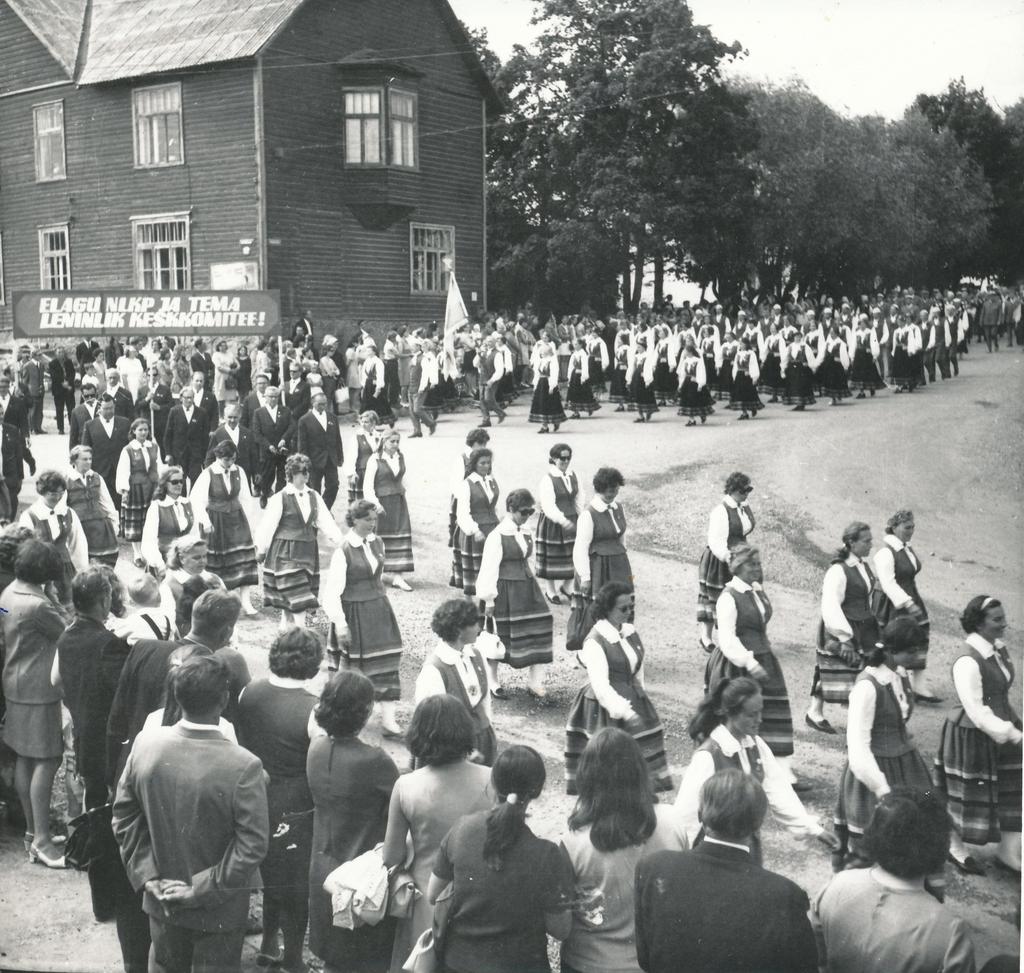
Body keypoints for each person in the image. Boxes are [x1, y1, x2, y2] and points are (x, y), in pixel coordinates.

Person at [112, 655, 269, 973]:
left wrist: (146, 875)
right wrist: (200, 889)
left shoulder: (145, 744)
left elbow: (124, 816)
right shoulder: (244, 764)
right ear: (224, 700)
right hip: (218, 912)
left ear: (176, 694)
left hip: (161, 900)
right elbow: (251, 845)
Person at [636, 769, 819, 973]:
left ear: (700, 816)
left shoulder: (654, 868)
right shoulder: (785, 895)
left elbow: (645, 958)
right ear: (757, 825)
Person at [428, 745, 573, 973]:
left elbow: (434, 894)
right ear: (536, 791)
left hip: (458, 964)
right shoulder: (546, 854)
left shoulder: (462, 829)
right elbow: (560, 930)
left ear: (493, 783)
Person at [560, 729, 687, 973]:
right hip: (653, 962)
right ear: (639, 770)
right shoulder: (673, 823)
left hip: (589, 963)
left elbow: (562, 925)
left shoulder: (573, 841)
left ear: (587, 777)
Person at [382, 695, 493, 973]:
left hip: (426, 899)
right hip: (478, 898)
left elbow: (391, 856)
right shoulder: (492, 779)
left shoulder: (406, 786)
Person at [812, 789, 977, 973]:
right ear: (941, 847)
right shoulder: (951, 931)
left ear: (873, 835)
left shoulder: (836, 885)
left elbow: (815, 957)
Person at [235, 628, 323, 973]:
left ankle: (269, 941)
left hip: (254, 790)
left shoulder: (249, 692)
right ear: (312, 665)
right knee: (295, 883)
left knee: (270, 874)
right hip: (294, 800)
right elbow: (316, 765)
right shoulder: (313, 710)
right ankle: (293, 956)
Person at [677, 676, 833, 864]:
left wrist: (815, 829)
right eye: (751, 715)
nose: (759, 720)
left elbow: (778, 791)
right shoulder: (708, 756)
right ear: (729, 714)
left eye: (760, 712)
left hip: (746, 846)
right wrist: (681, 861)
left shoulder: (756, 745)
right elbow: (686, 816)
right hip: (714, 852)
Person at [307, 670, 400, 973]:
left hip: (323, 865)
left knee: (333, 958)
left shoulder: (317, 748)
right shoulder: (375, 761)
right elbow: (401, 804)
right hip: (359, 873)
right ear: (366, 711)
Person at [832, 616, 934, 875]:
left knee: (914, 839)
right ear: (890, 650)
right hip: (874, 775)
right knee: (873, 847)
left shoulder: (899, 674)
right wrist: (881, 789)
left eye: (919, 650)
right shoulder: (867, 688)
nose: (917, 656)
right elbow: (857, 749)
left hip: (906, 766)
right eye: (911, 651)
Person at [934, 594, 1022, 875]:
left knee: (1011, 788)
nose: (1004, 624)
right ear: (978, 623)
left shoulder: (996, 648)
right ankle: (954, 846)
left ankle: (1008, 851)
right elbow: (976, 711)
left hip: (1003, 728)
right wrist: (1011, 733)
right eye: (997, 620)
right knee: (965, 794)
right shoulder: (967, 661)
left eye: (1003, 617)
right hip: (972, 735)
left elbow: (1000, 694)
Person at [704, 545, 801, 786]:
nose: (757, 568)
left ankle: (780, 773)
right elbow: (726, 638)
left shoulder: (756, 590)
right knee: (739, 714)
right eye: (752, 564)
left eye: (758, 564)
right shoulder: (728, 597)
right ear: (737, 567)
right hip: (737, 664)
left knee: (773, 712)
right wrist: (748, 662)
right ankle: (732, 770)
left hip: (764, 656)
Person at [0, 540, 71, 868]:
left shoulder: (9, 594)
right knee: (48, 759)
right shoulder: (38, 604)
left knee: (25, 759)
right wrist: (54, 596)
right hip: (39, 688)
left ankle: (33, 831)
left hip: (15, 681)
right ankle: (41, 840)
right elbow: (67, 633)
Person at [565, 582, 672, 796]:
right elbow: (602, 687)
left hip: (632, 698)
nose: (629, 612)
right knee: (610, 761)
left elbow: (637, 669)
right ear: (606, 609)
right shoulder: (595, 642)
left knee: (640, 757)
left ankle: (638, 796)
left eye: (631, 607)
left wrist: (641, 694)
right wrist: (626, 713)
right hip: (607, 708)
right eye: (623, 609)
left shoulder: (629, 632)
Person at [321, 500, 404, 737]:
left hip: (378, 610)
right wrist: (340, 624)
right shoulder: (343, 550)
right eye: (367, 519)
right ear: (354, 520)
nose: (372, 524)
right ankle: (342, 719)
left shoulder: (377, 542)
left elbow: (376, 575)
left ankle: (388, 720)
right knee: (354, 670)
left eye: (374, 519)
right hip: (354, 613)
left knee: (387, 661)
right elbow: (331, 594)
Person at [54, 567, 124, 813]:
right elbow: (120, 695)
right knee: (104, 803)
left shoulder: (66, 637)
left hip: (81, 730)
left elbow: (59, 682)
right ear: (105, 600)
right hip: (105, 739)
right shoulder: (109, 644)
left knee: (90, 800)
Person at [477, 488, 554, 698]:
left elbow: (528, 558)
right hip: (504, 589)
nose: (526, 516)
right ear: (510, 509)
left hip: (527, 587)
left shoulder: (526, 531)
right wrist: (489, 599)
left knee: (541, 625)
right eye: (523, 512)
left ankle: (535, 682)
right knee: (498, 635)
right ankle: (492, 682)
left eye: (530, 512)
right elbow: (489, 568)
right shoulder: (497, 536)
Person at [806, 521, 880, 734]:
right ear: (851, 542)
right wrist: (843, 638)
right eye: (866, 541)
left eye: (871, 541)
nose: (870, 545)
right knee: (835, 670)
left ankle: (816, 712)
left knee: (851, 671)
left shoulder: (863, 565)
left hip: (863, 627)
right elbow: (830, 605)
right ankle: (816, 713)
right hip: (842, 628)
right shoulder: (838, 571)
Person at [256, 452, 343, 629]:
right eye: (302, 472)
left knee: (296, 589)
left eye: (307, 471)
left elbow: (326, 521)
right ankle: (300, 629)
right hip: (285, 550)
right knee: (296, 589)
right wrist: (262, 549)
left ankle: (284, 624)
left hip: (307, 550)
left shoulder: (314, 496)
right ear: (291, 474)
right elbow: (268, 525)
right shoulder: (280, 497)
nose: (307, 475)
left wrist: (342, 543)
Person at [415, 598, 496, 765]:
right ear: (459, 630)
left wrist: (487, 730)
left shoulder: (476, 655)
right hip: (449, 753)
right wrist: (466, 753)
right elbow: (433, 724)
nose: (479, 628)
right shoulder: (434, 670)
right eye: (474, 623)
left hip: (481, 740)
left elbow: (485, 700)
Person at [873, 508, 940, 703]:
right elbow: (888, 583)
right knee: (895, 640)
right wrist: (908, 604)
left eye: (913, 527)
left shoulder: (906, 548)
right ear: (894, 527)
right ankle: (889, 683)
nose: (910, 531)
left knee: (920, 634)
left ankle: (918, 685)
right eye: (906, 527)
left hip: (910, 596)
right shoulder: (886, 552)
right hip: (893, 602)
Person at [188, 439, 260, 616]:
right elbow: (196, 500)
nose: (230, 463)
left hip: (237, 520)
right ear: (218, 456)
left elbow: (245, 497)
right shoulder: (208, 474)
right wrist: (205, 521)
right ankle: (219, 601)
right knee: (219, 563)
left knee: (243, 559)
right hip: (216, 521)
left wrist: (250, 522)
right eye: (227, 459)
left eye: (233, 459)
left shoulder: (239, 471)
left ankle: (246, 601)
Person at [696, 472, 755, 652]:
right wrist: (727, 556)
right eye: (744, 491)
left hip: (740, 557)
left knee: (739, 597)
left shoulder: (743, 506)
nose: (747, 494)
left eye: (749, 490)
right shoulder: (721, 511)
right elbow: (715, 540)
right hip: (721, 560)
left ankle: (733, 638)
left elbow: (744, 530)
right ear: (734, 490)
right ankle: (706, 638)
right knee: (715, 598)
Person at [19, 470, 88, 605]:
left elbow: (78, 544)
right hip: (42, 570)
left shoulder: (68, 513)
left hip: (65, 569)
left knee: (70, 606)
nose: (57, 497)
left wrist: (82, 571)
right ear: (42, 492)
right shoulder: (30, 516)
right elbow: (25, 551)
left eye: (61, 493)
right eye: (53, 494)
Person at [363, 429, 414, 591]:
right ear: (384, 442)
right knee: (380, 537)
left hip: (398, 501)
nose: (396, 445)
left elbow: (403, 479)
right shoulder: (374, 459)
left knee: (401, 533)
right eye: (392, 441)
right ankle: (376, 576)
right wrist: (376, 505)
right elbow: (368, 486)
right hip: (381, 504)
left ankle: (398, 577)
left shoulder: (400, 457)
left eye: (398, 441)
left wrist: (403, 491)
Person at [572, 467, 632, 603]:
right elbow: (580, 548)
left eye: (617, 490)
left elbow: (621, 537)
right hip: (599, 567)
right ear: (600, 490)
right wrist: (585, 577)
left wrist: (623, 558)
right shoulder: (588, 514)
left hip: (619, 565)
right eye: (611, 492)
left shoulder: (618, 508)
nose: (614, 494)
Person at [535, 442, 583, 603]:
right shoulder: (548, 479)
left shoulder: (573, 475)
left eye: (568, 458)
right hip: (553, 523)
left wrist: (581, 516)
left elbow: (579, 497)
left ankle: (567, 586)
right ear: (554, 459)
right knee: (553, 557)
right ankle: (550, 591)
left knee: (575, 556)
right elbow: (548, 506)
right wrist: (562, 521)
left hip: (572, 519)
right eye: (562, 458)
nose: (566, 461)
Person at [452, 446, 501, 598]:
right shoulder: (466, 484)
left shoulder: (491, 480)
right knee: (474, 569)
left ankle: (488, 602)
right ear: (474, 465)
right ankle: (469, 604)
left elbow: (494, 507)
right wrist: (475, 530)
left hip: (492, 527)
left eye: (488, 463)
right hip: (474, 530)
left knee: (491, 565)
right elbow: (462, 514)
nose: (487, 466)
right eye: (483, 463)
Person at [115, 418, 161, 566]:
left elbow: (158, 466)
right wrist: (125, 491)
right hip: (136, 489)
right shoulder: (128, 449)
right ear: (133, 431)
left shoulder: (153, 446)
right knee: (137, 522)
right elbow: (123, 471)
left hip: (152, 487)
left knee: (151, 520)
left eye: (146, 430)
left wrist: (161, 484)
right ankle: (137, 554)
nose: (143, 432)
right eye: (140, 430)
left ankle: (150, 551)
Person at [66, 445, 119, 567]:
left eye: (90, 459)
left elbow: (107, 503)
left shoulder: (96, 477)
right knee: (83, 561)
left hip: (100, 526)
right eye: (84, 459)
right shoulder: (67, 480)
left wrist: (115, 522)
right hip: (80, 526)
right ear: (74, 461)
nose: (89, 462)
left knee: (105, 561)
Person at [140, 466, 199, 577]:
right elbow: (148, 541)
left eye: (181, 481)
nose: (179, 485)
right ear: (165, 484)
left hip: (185, 561)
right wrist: (159, 564)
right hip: (163, 561)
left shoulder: (187, 503)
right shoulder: (157, 507)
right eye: (174, 482)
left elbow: (194, 535)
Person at [82, 393, 132, 510]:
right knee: (102, 505)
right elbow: (85, 450)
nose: (109, 411)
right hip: (99, 472)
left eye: (111, 408)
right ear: (99, 409)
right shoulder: (90, 425)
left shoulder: (125, 423)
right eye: (106, 408)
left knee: (120, 506)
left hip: (119, 472)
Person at [296, 390, 344, 510]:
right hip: (313, 461)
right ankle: (315, 512)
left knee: (333, 485)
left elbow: (337, 439)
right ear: (313, 403)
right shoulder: (304, 420)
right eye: (319, 404)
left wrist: (340, 457)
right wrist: (304, 462)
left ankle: (324, 510)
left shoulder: (332, 418)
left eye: (325, 404)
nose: (323, 406)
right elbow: (302, 444)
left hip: (331, 459)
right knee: (314, 489)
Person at [253, 386, 297, 507]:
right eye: (270, 397)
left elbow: (292, 426)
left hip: (282, 449)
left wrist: (284, 439)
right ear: (265, 397)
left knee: (282, 475)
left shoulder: (285, 411)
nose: (273, 399)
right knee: (267, 475)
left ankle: (279, 498)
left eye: (275, 397)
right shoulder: (259, 413)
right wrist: (268, 446)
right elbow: (257, 433)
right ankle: (264, 494)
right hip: (267, 450)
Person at [163, 386, 211, 491]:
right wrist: (168, 453)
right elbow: (168, 435)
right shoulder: (174, 411)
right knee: (180, 482)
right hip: (179, 454)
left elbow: (205, 437)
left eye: (191, 397)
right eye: (186, 397)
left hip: (196, 455)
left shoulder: (201, 413)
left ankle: (193, 505)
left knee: (196, 481)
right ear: (181, 398)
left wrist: (204, 455)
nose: (189, 400)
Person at [206, 402, 258, 489]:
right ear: (224, 417)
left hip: (244, 475)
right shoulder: (217, 434)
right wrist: (210, 475)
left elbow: (253, 455)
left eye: (235, 417)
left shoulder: (247, 433)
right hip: (224, 475)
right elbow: (210, 457)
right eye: (230, 417)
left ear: (240, 416)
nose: (232, 420)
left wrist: (256, 472)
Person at [344, 409, 380, 504]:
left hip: (377, 473)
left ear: (373, 423)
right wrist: (351, 474)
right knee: (360, 504)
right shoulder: (356, 437)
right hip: (361, 473)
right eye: (362, 422)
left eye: (366, 422)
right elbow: (351, 456)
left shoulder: (379, 436)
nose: (363, 424)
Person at [529, 346, 566, 433]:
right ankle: (544, 426)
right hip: (541, 384)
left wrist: (552, 386)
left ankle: (556, 421)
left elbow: (554, 374)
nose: (541, 353)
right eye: (541, 351)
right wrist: (535, 385)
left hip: (548, 384)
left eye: (543, 351)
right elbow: (537, 374)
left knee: (551, 404)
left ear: (548, 352)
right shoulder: (540, 361)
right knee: (541, 404)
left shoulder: (552, 361)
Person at [49, 347, 76, 436]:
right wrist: (62, 383)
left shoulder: (69, 362)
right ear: (56, 353)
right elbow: (54, 375)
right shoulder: (52, 363)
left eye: (62, 352)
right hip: (58, 390)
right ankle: (60, 428)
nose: (61, 353)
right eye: (59, 352)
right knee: (59, 410)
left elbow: (72, 373)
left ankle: (73, 427)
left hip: (69, 389)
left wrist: (68, 382)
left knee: (71, 409)